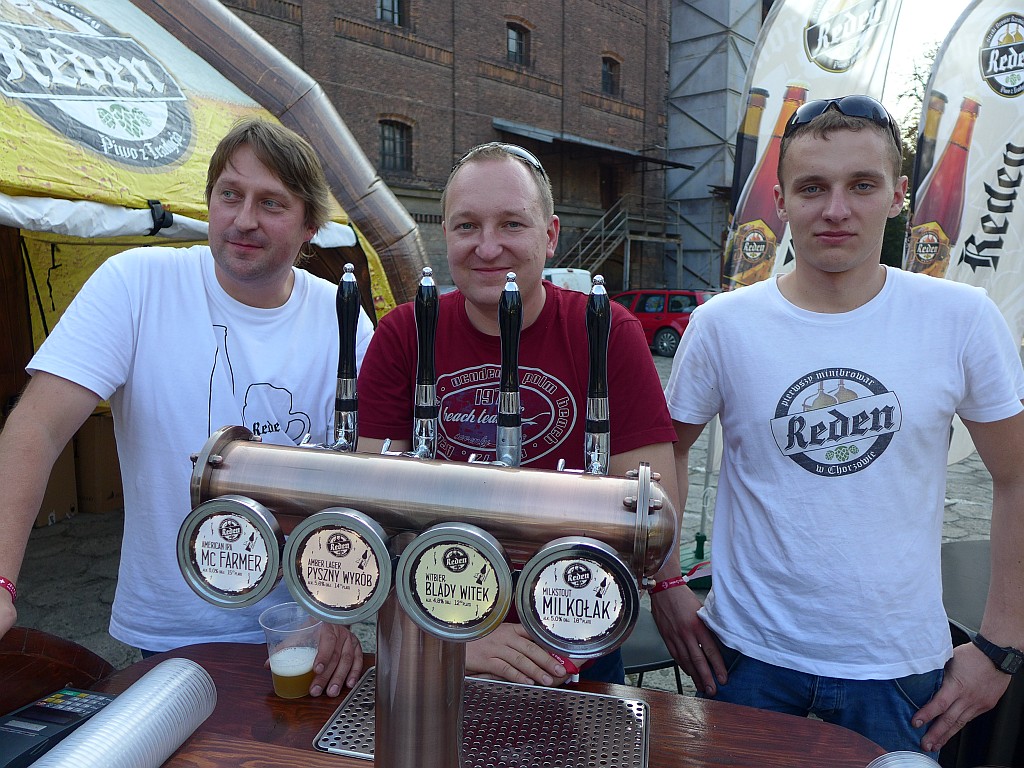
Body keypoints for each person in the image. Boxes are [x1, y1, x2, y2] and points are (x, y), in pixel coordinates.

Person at [663, 95, 1024, 755]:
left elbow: (1017, 475)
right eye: (812, 188)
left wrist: (1001, 646)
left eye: (862, 185)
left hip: (901, 676)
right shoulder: (722, 325)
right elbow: (661, 456)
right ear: (780, 201)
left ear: (898, 196)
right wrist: (662, 583)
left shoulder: (961, 318)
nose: (836, 209)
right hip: (745, 662)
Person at [0, 118, 376, 697]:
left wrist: (338, 608)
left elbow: (363, 476)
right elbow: (38, 427)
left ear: (310, 226)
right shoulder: (136, 283)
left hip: (302, 630)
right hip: (170, 632)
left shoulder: (341, 315)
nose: (244, 219)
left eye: (271, 203)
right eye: (230, 194)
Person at [356, 142, 681, 687]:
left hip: (575, 633)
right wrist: (455, 634)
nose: (488, 247)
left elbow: (647, 512)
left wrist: (563, 634)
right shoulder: (404, 334)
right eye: (467, 226)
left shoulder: (605, 331)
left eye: (512, 223)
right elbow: (370, 514)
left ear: (550, 235)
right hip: (432, 631)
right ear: (445, 234)